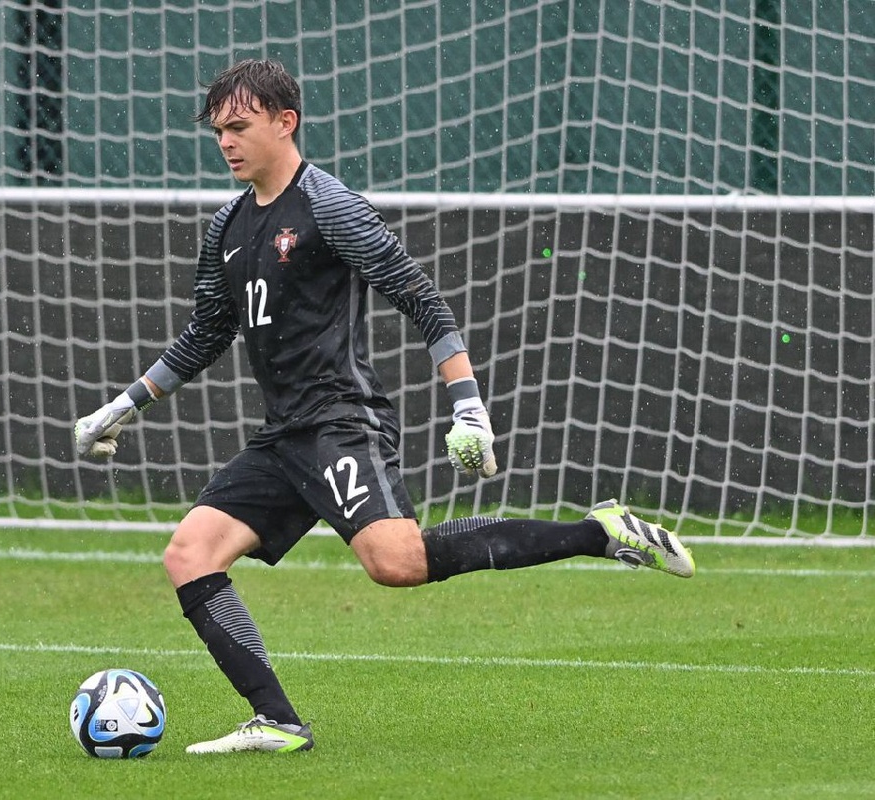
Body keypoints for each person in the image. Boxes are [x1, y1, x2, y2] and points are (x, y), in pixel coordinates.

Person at [75, 59, 694, 755]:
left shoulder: (329, 206)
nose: (226, 142)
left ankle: (598, 532)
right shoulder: (227, 227)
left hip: (341, 421)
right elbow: (206, 334)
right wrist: (121, 407)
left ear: (286, 122)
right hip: (282, 437)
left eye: (239, 127)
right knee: (189, 553)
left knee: (395, 563)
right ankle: (278, 723)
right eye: (218, 130)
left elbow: (424, 302)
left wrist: (469, 408)